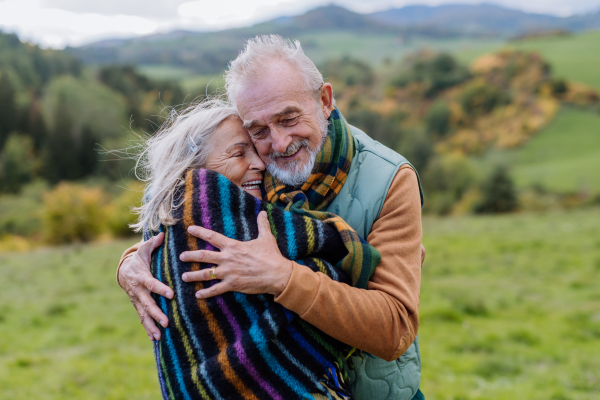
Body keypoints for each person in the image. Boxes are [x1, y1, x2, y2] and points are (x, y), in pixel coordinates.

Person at [118, 35, 424, 400]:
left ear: (324, 101)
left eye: (289, 118)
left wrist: (281, 277)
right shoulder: (247, 165)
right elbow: (169, 206)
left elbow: (394, 329)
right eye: (259, 130)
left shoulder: (388, 178)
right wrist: (128, 265)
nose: (278, 144)